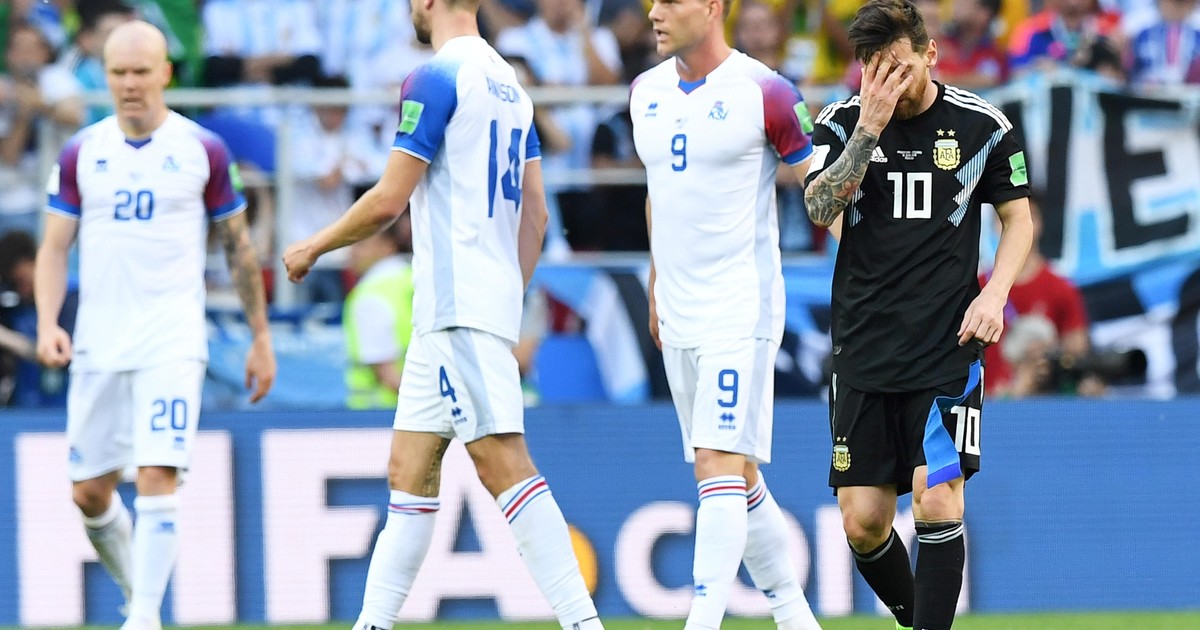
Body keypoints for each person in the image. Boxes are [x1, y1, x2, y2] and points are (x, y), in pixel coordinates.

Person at [281, 0, 604, 626]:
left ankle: (582, 623)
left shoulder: (434, 77)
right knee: (408, 475)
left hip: (458, 304)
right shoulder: (512, 87)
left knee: (502, 461)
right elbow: (536, 214)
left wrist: (313, 246)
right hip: (459, 309)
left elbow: (388, 200)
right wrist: (507, 293)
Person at [34, 21, 276, 630]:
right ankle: (140, 600)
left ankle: (142, 618)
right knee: (89, 493)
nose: (130, 84)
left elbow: (239, 248)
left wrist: (260, 336)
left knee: (156, 473)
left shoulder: (203, 150)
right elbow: (54, 248)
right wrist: (47, 323)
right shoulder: (81, 152)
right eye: (118, 72)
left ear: (165, 73)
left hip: (172, 338)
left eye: (141, 71)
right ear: (105, 76)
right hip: (99, 341)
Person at [803, 2, 1033, 629]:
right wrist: (868, 129)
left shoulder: (982, 126)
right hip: (863, 348)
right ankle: (917, 618)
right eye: (875, 71)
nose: (888, 85)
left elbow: (1018, 220)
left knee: (937, 498)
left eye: (899, 69)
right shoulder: (842, 122)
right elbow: (818, 209)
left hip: (944, 345)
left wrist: (995, 294)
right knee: (864, 522)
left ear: (930, 54)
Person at [630, 0, 825, 627]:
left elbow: (823, 197)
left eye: (671, 0)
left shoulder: (767, 92)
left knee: (716, 462)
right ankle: (795, 617)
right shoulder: (644, 91)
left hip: (740, 305)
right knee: (735, 474)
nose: (654, 12)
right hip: (678, 308)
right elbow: (660, 192)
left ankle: (703, 619)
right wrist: (656, 282)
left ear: (713, 7)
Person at [343, 216, 415, 410]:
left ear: (387, 246)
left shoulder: (370, 295)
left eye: (361, 244)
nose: (352, 252)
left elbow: (387, 375)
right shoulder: (415, 279)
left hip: (378, 414)